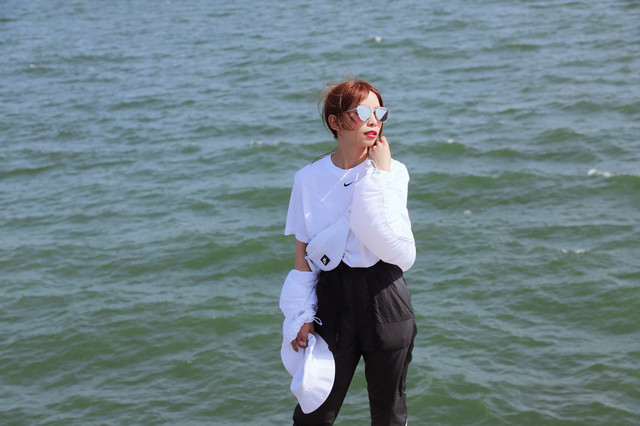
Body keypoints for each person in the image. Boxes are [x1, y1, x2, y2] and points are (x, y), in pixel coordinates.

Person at [281, 78, 417, 426]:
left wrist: (381, 175)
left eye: (379, 113)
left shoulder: (393, 172)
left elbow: (391, 242)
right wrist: (302, 313)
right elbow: (303, 254)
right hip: (333, 296)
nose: (374, 121)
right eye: (362, 113)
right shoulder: (307, 179)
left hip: (385, 293)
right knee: (313, 413)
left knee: (389, 415)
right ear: (335, 122)